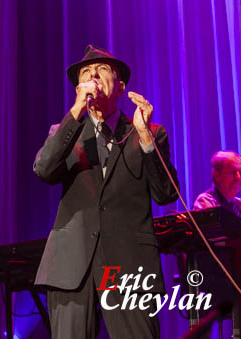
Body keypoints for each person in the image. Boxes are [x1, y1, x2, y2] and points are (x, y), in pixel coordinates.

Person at [33, 45, 179, 339]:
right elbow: (44, 170)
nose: (93, 76)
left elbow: (166, 194)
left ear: (121, 86)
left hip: (129, 265)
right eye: (86, 73)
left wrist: (145, 136)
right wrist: (76, 110)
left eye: (102, 70)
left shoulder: (149, 131)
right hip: (71, 266)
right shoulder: (64, 132)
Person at [193, 151, 241, 216]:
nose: (238, 177)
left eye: (240, 173)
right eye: (232, 172)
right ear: (216, 175)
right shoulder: (206, 201)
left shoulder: (238, 204)